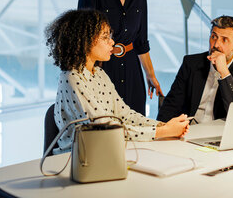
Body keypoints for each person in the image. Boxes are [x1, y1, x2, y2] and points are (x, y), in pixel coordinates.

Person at [45, 9, 189, 153]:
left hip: (105, 153)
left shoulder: (99, 73)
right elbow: (106, 130)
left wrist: (163, 126)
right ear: (85, 41)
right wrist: (163, 132)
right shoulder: (72, 78)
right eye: (105, 37)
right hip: (78, 160)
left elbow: (125, 115)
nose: (112, 42)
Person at [78, 0, 161, 115]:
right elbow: (84, 39)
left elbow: (141, 41)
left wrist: (150, 75)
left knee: (136, 124)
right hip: (102, 68)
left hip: (132, 70)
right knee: (106, 125)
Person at [157, 15, 233, 123]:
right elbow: (171, 105)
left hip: (221, 135)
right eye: (214, 37)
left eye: (224, 40)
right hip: (188, 130)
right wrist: (162, 132)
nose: (216, 44)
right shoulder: (191, 64)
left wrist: (224, 73)